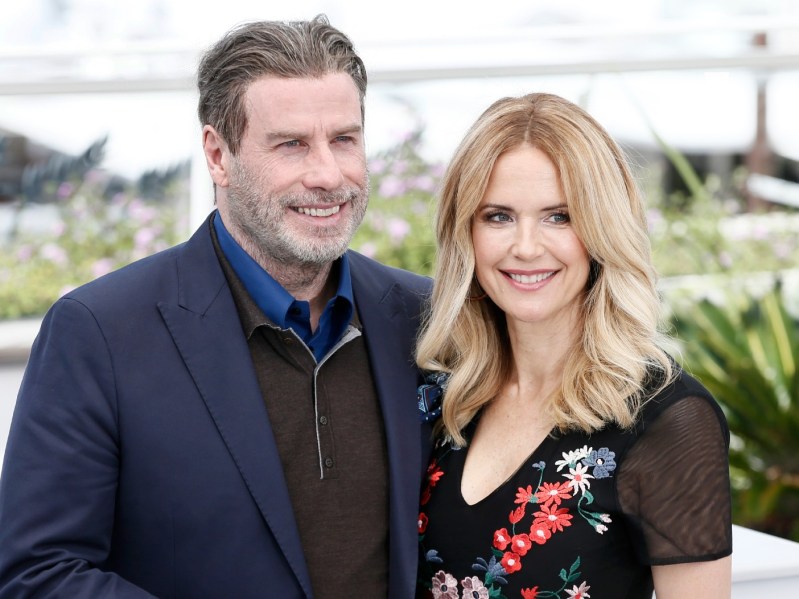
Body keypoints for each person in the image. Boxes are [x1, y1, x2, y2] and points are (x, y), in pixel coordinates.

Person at [0, 16, 433, 599]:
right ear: (217, 155)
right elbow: (37, 572)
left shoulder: (424, 316)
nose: (328, 174)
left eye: (345, 139)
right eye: (291, 144)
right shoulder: (100, 332)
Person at [414, 93, 732, 598]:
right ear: (465, 233)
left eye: (558, 216)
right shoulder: (437, 392)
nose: (525, 246)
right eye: (497, 216)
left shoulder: (667, 420)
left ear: (602, 228)